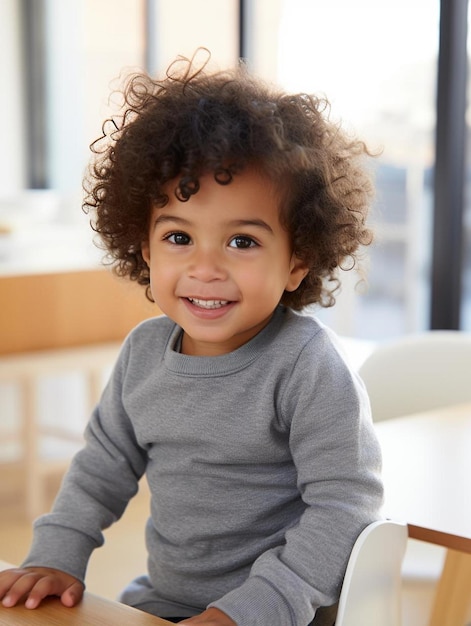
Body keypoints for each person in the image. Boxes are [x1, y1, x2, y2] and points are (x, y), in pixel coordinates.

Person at [0, 49, 383, 626]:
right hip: (165, 602)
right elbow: (102, 467)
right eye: (179, 238)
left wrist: (249, 611)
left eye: (243, 242)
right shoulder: (144, 353)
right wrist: (57, 555)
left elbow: (345, 507)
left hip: (282, 611)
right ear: (144, 247)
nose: (206, 268)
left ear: (298, 261)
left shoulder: (306, 365)